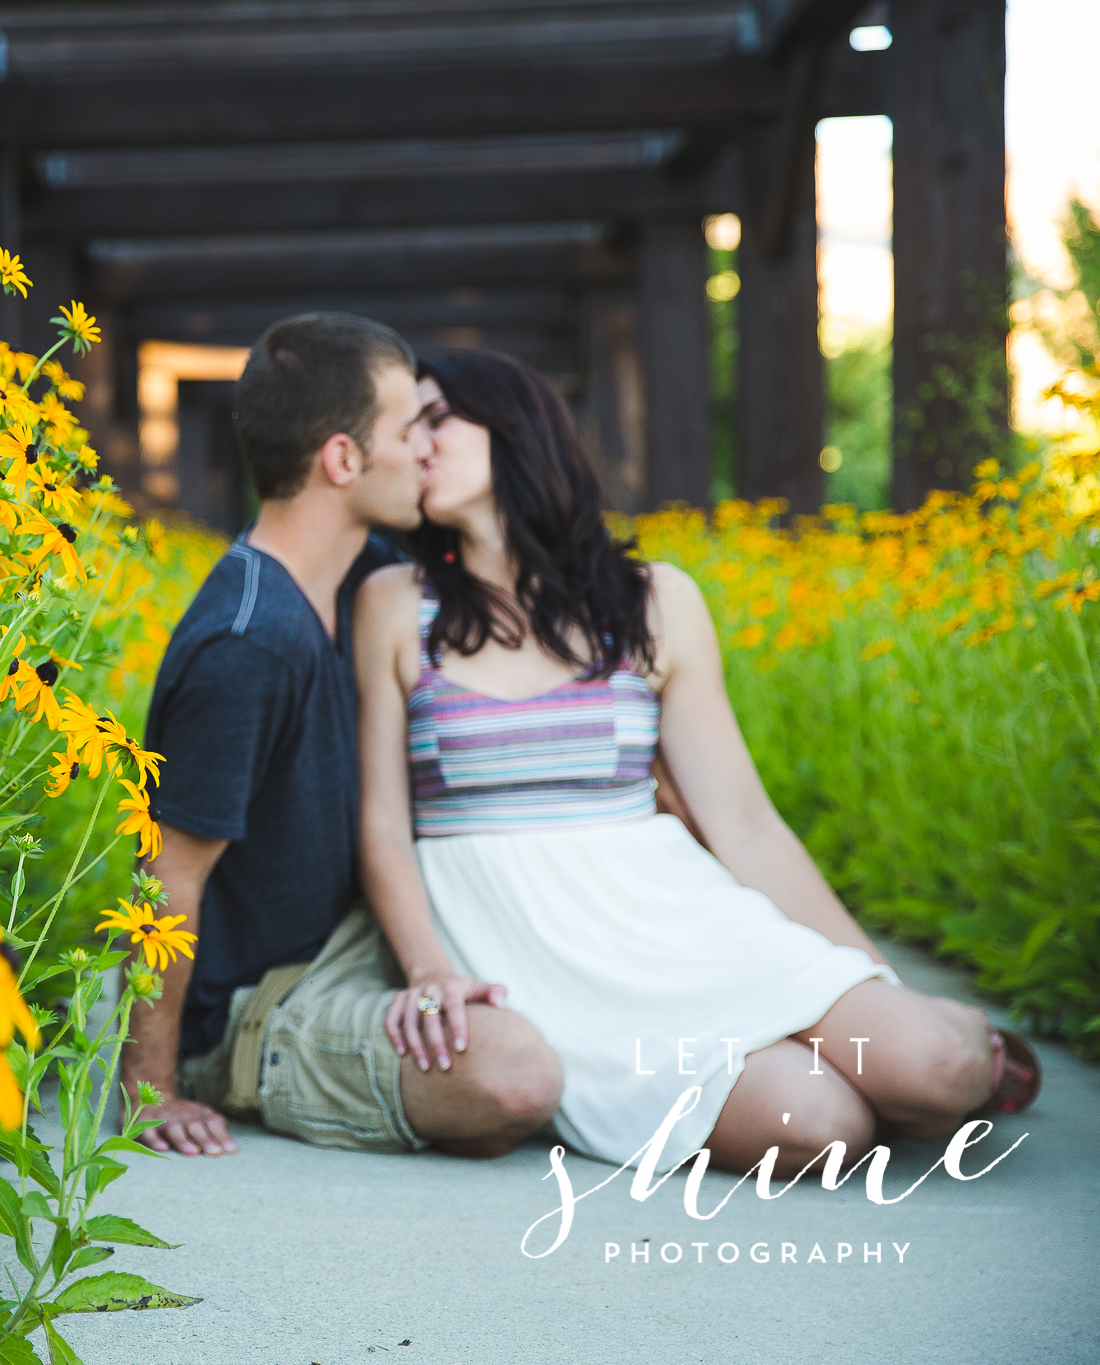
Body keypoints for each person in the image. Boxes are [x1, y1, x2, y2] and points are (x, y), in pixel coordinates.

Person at [352, 348, 1042, 1174]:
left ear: (516, 426)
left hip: (679, 919)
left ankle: (953, 1042)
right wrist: (429, 969)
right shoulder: (394, 605)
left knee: (940, 1067)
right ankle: (842, 1065)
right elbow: (384, 826)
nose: (414, 443)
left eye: (435, 417)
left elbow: (744, 827)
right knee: (823, 1124)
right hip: (541, 964)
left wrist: (864, 972)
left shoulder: (654, 599)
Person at [126, 314, 564, 1159]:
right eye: (410, 429)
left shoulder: (367, 580)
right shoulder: (247, 643)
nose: (427, 449)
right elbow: (168, 877)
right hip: (270, 1000)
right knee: (513, 1074)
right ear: (342, 459)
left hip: (363, 930)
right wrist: (153, 1087)